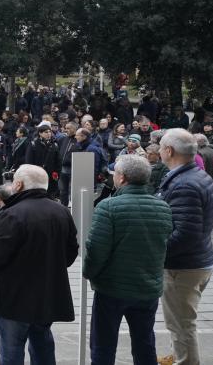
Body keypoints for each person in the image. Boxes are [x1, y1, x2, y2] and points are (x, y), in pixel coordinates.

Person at [0, 165, 78, 365]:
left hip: (14, 296)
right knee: (43, 345)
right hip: (46, 294)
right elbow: (71, 251)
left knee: (11, 351)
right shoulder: (61, 211)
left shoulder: (14, 213)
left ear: (19, 184)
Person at [83, 155, 173, 365]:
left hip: (112, 289)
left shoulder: (108, 207)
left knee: (103, 344)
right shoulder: (162, 207)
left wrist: (89, 273)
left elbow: (96, 250)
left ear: (122, 178)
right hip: (148, 286)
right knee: (144, 342)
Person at [156, 129, 213, 365]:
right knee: (180, 320)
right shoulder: (195, 176)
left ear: (169, 151)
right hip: (197, 260)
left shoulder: (185, 184)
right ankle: (178, 355)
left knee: (181, 323)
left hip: (183, 267)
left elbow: (184, 234)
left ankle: (185, 360)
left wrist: (155, 252)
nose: (159, 150)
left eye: (161, 147)